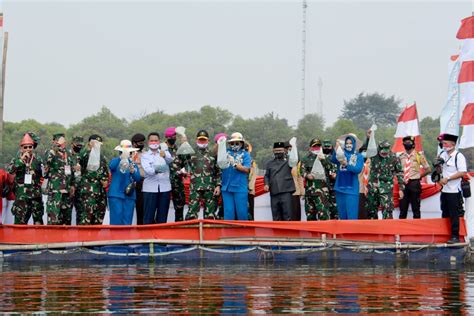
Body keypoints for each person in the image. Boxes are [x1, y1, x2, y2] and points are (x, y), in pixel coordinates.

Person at [173, 130, 221, 220]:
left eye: (204, 140)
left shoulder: (213, 154)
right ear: (196, 140)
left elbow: (218, 171)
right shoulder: (191, 153)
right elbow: (178, 161)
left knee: (210, 216)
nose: (202, 142)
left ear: (208, 141)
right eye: (200, 140)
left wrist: (218, 185)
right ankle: (191, 233)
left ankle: (210, 233)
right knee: (191, 214)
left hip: (210, 188)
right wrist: (183, 144)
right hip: (195, 187)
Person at [7, 133, 44, 224]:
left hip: (35, 196)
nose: (28, 149)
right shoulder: (16, 159)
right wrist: (21, 160)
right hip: (22, 197)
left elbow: (43, 174)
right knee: (20, 223)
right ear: (21, 148)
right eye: (25, 147)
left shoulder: (37, 159)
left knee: (38, 223)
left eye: (30, 147)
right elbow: (10, 171)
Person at [438, 133, 467, 243]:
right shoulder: (442, 154)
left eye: (445, 143)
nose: (443, 145)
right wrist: (439, 177)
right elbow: (439, 169)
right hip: (444, 190)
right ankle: (444, 234)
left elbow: (462, 172)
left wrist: (448, 178)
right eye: (443, 143)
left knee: (454, 214)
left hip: (454, 190)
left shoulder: (458, 156)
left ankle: (455, 236)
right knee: (444, 212)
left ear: (453, 144)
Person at [366, 140, 404, 219]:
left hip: (386, 188)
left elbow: (400, 173)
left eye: (386, 152)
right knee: (371, 211)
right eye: (382, 152)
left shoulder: (394, 158)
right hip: (373, 188)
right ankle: (372, 230)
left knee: (387, 211)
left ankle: (387, 230)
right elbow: (367, 149)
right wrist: (368, 138)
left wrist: (401, 189)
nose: (384, 154)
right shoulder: (373, 156)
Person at [141, 132, 173, 224]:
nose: (154, 142)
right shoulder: (145, 156)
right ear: (148, 142)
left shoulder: (164, 152)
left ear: (159, 142)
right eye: (152, 141)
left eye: (156, 140)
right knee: (148, 217)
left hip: (165, 188)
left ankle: (160, 237)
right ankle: (148, 237)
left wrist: (164, 156)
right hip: (150, 189)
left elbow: (170, 160)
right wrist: (159, 168)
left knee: (162, 217)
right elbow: (149, 171)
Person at [77, 134, 109, 225]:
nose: (96, 145)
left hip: (100, 193)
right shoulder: (85, 155)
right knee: (85, 220)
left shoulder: (102, 158)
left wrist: (105, 181)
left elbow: (105, 174)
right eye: (94, 143)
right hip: (88, 194)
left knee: (98, 220)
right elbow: (79, 160)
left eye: (98, 144)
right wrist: (89, 148)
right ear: (89, 144)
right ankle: (83, 239)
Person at [108, 140, 142, 225]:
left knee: (127, 221)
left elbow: (138, 178)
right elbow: (111, 167)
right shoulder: (115, 161)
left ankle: (126, 238)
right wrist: (121, 157)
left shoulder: (133, 164)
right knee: (116, 221)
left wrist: (133, 171)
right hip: (116, 195)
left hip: (129, 195)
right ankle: (115, 238)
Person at [44, 133, 75, 225]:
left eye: (62, 141)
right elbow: (47, 162)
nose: (61, 143)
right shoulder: (50, 152)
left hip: (67, 190)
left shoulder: (68, 154)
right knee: (53, 217)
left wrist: (73, 184)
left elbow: (72, 170)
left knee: (66, 219)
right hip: (55, 190)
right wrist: (56, 147)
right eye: (58, 141)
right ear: (53, 142)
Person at [398, 136, 431, 219]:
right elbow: (397, 170)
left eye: (408, 143)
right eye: (405, 143)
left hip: (414, 183)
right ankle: (401, 230)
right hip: (403, 184)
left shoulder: (419, 156)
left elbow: (428, 169)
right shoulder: (401, 156)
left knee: (416, 208)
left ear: (413, 144)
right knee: (402, 208)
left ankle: (417, 230)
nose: (406, 144)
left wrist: (419, 176)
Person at [331, 135, 364, 220]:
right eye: (347, 143)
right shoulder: (341, 153)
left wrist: (347, 164)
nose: (348, 145)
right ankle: (343, 233)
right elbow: (333, 160)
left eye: (350, 143)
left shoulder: (358, 156)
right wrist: (336, 148)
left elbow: (358, 169)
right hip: (340, 188)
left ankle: (352, 233)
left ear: (354, 144)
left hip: (351, 190)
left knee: (352, 216)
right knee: (342, 216)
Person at [300, 138, 332, 221]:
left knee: (323, 213)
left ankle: (324, 233)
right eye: (314, 146)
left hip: (322, 191)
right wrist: (307, 175)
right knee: (310, 214)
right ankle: (313, 233)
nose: (316, 148)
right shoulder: (305, 159)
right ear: (310, 147)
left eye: (318, 146)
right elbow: (301, 170)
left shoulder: (325, 157)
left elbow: (330, 168)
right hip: (309, 191)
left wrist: (323, 160)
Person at [221, 132, 251, 220]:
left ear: (241, 143)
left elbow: (247, 169)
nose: (234, 144)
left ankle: (243, 232)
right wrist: (220, 142)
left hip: (239, 187)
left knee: (241, 212)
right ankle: (228, 233)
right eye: (232, 143)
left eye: (237, 143)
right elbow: (218, 164)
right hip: (226, 187)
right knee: (228, 212)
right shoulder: (225, 152)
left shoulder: (245, 154)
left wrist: (235, 164)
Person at [264, 142, 296, 221]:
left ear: (284, 150)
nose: (278, 152)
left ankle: (288, 232)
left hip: (286, 191)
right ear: (273, 151)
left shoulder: (289, 161)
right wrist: (266, 184)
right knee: (275, 215)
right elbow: (267, 175)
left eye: (280, 150)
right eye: (276, 150)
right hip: (274, 192)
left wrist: (293, 148)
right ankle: (277, 233)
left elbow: (296, 161)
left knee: (287, 214)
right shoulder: (269, 163)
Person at [165, 127, 186, 222]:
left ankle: (179, 226)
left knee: (179, 206)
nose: (173, 138)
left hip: (177, 182)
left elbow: (186, 163)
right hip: (163, 183)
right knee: (162, 207)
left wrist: (184, 170)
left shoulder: (179, 149)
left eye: (174, 136)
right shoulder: (162, 149)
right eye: (171, 136)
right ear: (166, 137)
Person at [285, 141, 304, 221]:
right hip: (285, 190)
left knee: (296, 211)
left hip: (295, 190)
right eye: (288, 149)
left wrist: (302, 191)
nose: (290, 151)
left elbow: (300, 176)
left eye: (291, 149)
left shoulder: (297, 162)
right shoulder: (282, 161)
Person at [131, 133, 146, 224]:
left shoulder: (145, 153)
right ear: (134, 143)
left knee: (141, 206)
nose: (141, 144)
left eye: (142, 142)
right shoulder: (129, 153)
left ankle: (141, 225)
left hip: (142, 182)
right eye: (139, 143)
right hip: (131, 182)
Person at [69, 136, 84, 224]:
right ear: (72, 144)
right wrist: (72, 168)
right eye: (77, 144)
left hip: (81, 188)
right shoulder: (67, 155)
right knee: (67, 212)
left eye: (81, 145)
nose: (79, 146)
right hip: (70, 187)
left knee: (81, 212)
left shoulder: (83, 156)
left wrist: (81, 168)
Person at [322, 140, 338, 219]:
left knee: (335, 211)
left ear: (332, 147)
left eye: (329, 146)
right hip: (323, 188)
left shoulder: (335, 157)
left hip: (334, 188)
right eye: (325, 146)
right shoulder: (319, 158)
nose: (327, 148)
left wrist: (336, 175)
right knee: (324, 211)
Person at [246, 142, 258, 220]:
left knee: (250, 210)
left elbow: (253, 175)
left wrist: (249, 187)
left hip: (249, 190)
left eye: (247, 149)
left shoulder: (252, 162)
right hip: (239, 188)